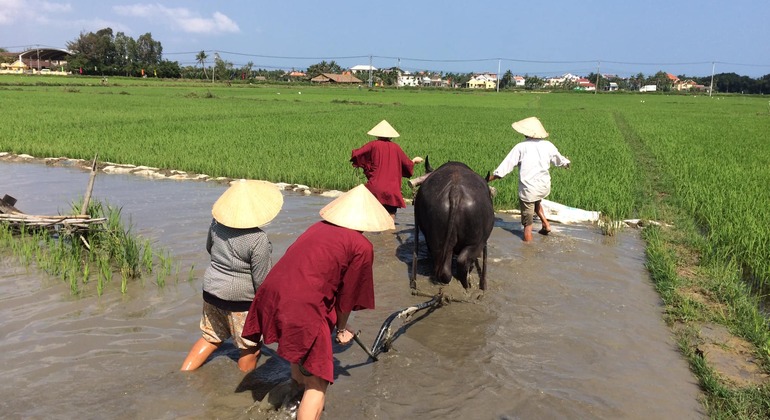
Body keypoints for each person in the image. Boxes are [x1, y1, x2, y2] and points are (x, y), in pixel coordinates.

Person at [242, 184, 394, 420]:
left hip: (271, 295)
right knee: (318, 383)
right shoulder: (361, 246)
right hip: (302, 307)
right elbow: (348, 297)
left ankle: (290, 401)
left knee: (300, 361)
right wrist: (341, 329)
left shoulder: (318, 227)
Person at [181, 179, 284, 372]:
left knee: (211, 337)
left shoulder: (216, 225)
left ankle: (184, 373)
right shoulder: (258, 239)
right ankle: (243, 390)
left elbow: (210, 248)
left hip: (212, 291)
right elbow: (262, 280)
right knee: (250, 348)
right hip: (240, 302)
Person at [487, 117, 571, 242]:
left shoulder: (521, 147)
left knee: (527, 226)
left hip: (528, 189)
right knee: (537, 202)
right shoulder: (548, 145)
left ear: (525, 132)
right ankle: (546, 224)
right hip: (543, 186)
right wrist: (566, 163)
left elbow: (504, 168)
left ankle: (528, 247)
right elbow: (560, 160)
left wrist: (488, 179)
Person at [350, 119, 423, 220]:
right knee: (390, 217)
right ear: (390, 136)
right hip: (392, 190)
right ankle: (390, 229)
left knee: (372, 217)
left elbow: (357, 154)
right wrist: (414, 161)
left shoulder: (373, 145)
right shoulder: (396, 147)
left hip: (375, 188)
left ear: (376, 135)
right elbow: (407, 164)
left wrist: (365, 165)